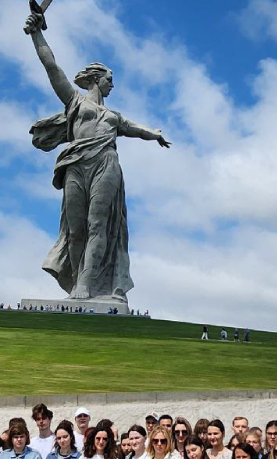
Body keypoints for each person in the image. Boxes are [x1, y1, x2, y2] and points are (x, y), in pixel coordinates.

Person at [23, 9, 170, 302]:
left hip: (106, 163)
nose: (112, 84)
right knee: (76, 229)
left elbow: (136, 128)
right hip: (76, 164)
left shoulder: (114, 116)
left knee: (98, 225)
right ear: (96, 79)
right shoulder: (75, 102)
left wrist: (154, 134)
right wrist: (37, 33)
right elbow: (52, 67)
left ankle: (87, 285)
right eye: (109, 79)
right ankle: (78, 280)